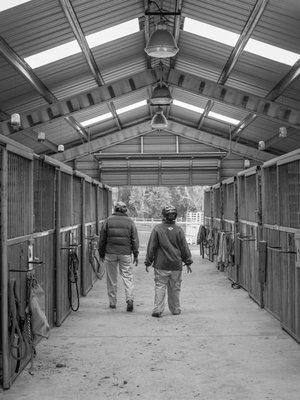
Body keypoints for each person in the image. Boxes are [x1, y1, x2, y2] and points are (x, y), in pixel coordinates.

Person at [144, 205, 193, 318]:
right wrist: (188, 262)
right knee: (175, 288)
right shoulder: (179, 230)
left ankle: (158, 309)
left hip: (161, 265)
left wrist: (148, 262)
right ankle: (175, 309)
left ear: (163, 215)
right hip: (176, 265)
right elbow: (184, 248)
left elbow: (152, 247)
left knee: (160, 286)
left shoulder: (157, 229)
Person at [98, 201, 139, 312]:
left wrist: (101, 254)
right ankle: (129, 299)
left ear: (115, 209)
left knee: (111, 278)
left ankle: (112, 302)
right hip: (125, 253)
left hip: (110, 253)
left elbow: (102, 239)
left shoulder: (108, 220)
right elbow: (134, 239)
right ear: (125, 210)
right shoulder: (130, 222)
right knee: (127, 277)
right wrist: (135, 254)